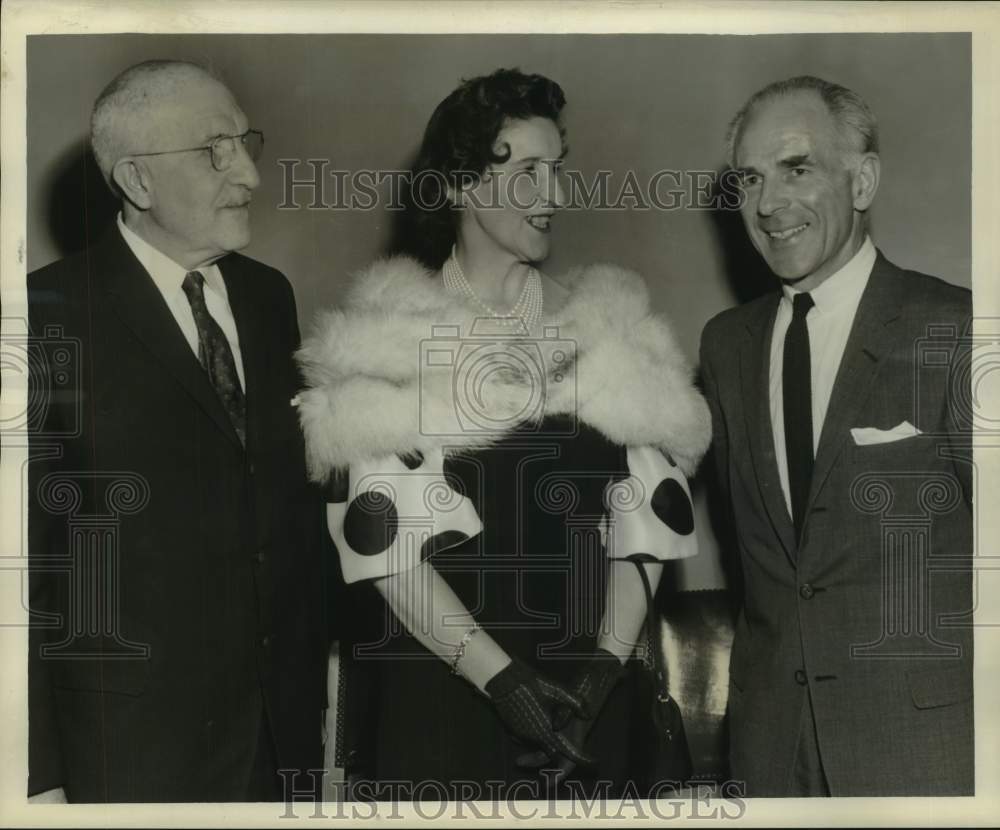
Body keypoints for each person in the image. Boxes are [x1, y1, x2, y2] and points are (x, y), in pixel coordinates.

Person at [295, 68, 711, 799]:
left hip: (588, 699)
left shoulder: (608, 328)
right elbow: (386, 550)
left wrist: (607, 668)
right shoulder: (387, 340)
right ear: (459, 185)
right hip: (443, 698)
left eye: (556, 170)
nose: (552, 195)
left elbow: (648, 524)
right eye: (524, 173)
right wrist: (504, 680)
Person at [27, 60, 327, 802]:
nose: (249, 175)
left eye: (245, 144)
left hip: (277, 738)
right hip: (127, 754)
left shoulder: (267, 299)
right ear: (136, 180)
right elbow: (26, 564)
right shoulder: (46, 315)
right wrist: (39, 774)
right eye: (213, 151)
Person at [700, 75, 973, 796]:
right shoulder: (724, 347)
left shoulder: (955, 329)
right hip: (769, 752)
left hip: (925, 750)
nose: (767, 204)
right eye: (750, 179)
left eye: (797, 169)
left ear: (863, 180)